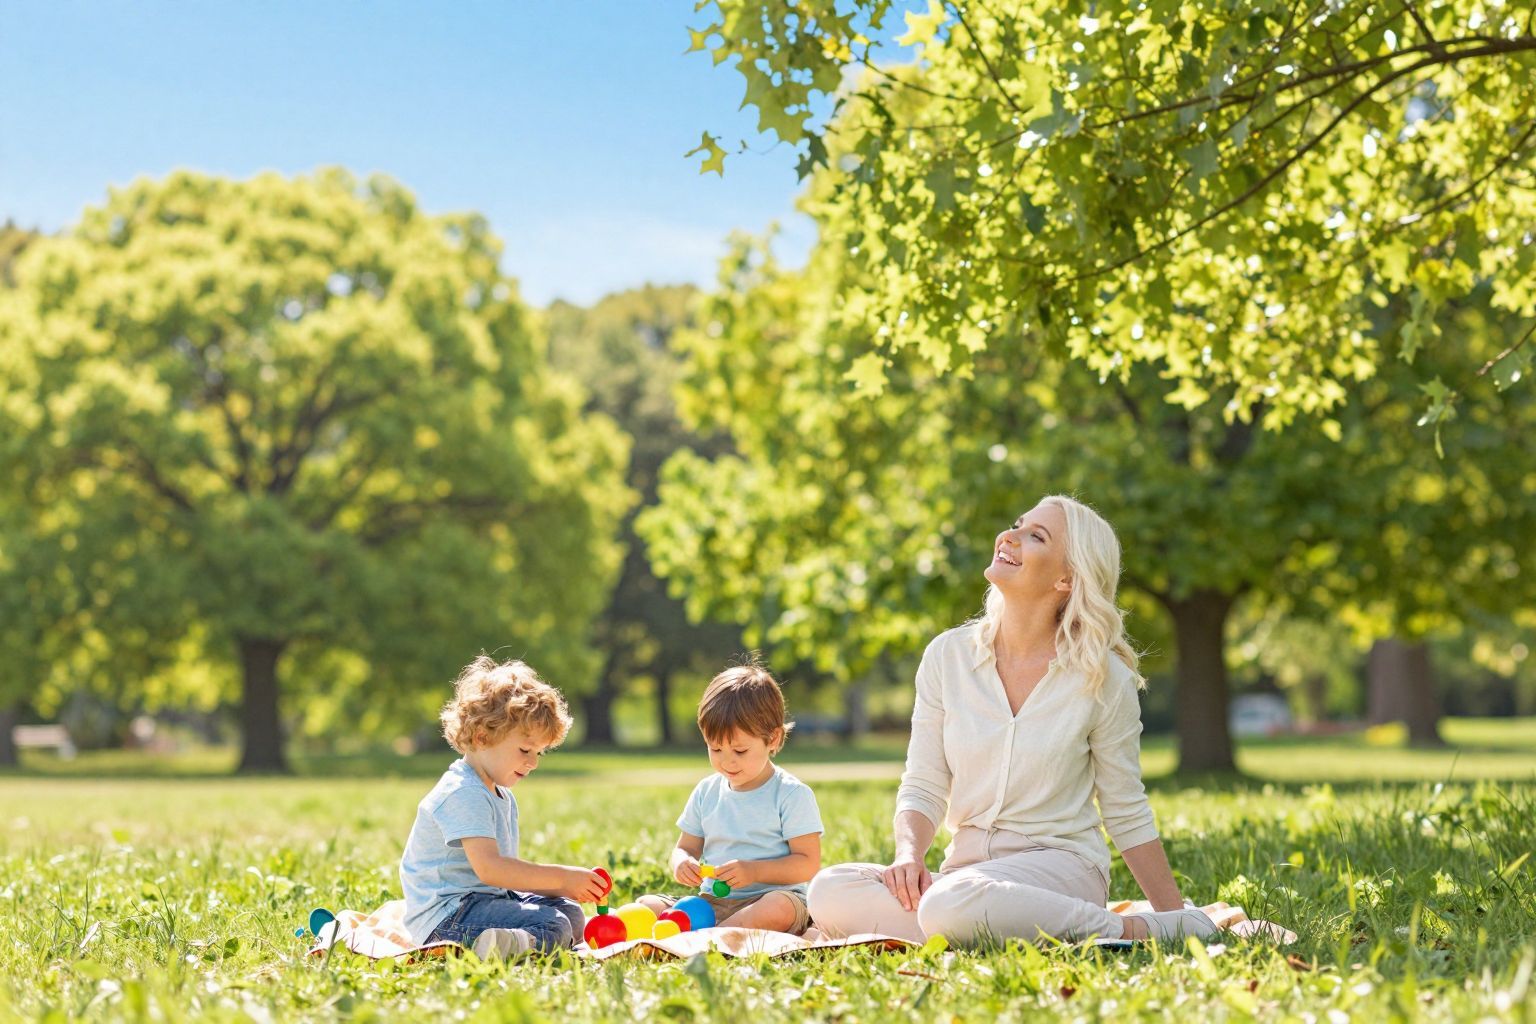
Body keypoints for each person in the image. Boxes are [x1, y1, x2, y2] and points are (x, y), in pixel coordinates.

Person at [808, 496, 1218, 946]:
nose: (1010, 536)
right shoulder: (947, 656)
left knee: (949, 905)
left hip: (1060, 865)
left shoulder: (1104, 678)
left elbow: (1124, 808)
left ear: (1067, 578)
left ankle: (1131, 930)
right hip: (965, 874)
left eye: (1035, 536)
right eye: (1017, 525)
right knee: (828, 890)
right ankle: (974, 926)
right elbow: (924, 782)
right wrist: (908, 856)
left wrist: (1174, 914)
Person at [399, 655, 608, 958]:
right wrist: (563, 878)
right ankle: (485, 948)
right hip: (446, 918)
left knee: (571, 915)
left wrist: (565, 888)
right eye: (525, 750)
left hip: (482, 901)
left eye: (539, 753)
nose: (533, 762)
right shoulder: (463, 791)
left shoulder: (498, 792)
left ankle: (510, 941)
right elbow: (491, 869)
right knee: (555, 926)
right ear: (483, 737)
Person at [638, 662, 824, 934]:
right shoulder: (707, 791)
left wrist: (754, 872)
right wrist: (681, 863)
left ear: (772, 739)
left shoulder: (791, 794)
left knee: (777, 910)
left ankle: (706, 936)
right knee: (646, 904)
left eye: (740, 750)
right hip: (713, 901)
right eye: (715, 748)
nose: (727, 762)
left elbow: (807, 863)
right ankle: (721, 932)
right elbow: (685, 847)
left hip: (773, 898)